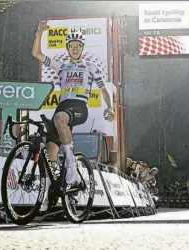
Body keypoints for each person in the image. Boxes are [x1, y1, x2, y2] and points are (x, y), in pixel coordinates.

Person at [32, 21, 114, 211]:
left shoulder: (91, 67)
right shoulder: (61, 66)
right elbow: (36, 54)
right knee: (50, 150)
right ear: (68, 48)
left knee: (60, 118)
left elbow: (104, 90)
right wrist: (39, 32)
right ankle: (51, 192)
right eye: (72, 46)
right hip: (61, 108)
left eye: (78, 46)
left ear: (82, 48)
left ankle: (71, 162)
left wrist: (110, 107)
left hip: (79, 107)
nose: (75, 49)